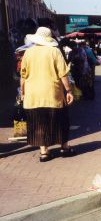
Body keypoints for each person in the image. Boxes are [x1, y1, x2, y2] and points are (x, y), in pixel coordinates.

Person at [20, 27, 75, 162]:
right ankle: (64, 147)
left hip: (33, 95)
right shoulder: (54, 51)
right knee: (61, 120)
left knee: (38, 122)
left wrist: (22, 93)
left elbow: (23, 75)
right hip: (53, 94)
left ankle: (44, 152)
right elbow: (63, 73)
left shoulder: (28, 53)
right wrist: (68, 91)